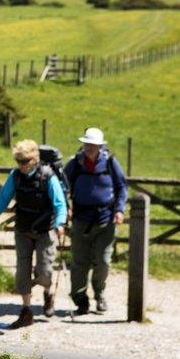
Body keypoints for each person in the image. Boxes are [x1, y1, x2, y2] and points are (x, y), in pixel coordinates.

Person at [0, 139, 67, 329]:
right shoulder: (15, 176)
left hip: (45, 230)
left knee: (44, 271)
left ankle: (47, 293)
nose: (21, 165)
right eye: (18, 161)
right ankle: (26, 311)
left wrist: (60, 223)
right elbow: (3, 200)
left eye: (25, 161)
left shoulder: (48, 177)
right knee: (22, 271)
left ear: (35, 159)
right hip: (23, 230)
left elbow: (60, 204)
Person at [64, 127, 127, 315]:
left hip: (105, 219)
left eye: (92, 144)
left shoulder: (110, 162)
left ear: (100, 146)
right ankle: (80, 300)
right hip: (80, 219)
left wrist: (119, 209)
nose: (89, 147)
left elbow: (122, 186)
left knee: (103, 261)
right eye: (87, 144)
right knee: (79, 263)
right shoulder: (75, 163)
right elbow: (62, 185)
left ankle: (99, 295)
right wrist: (65, 206)